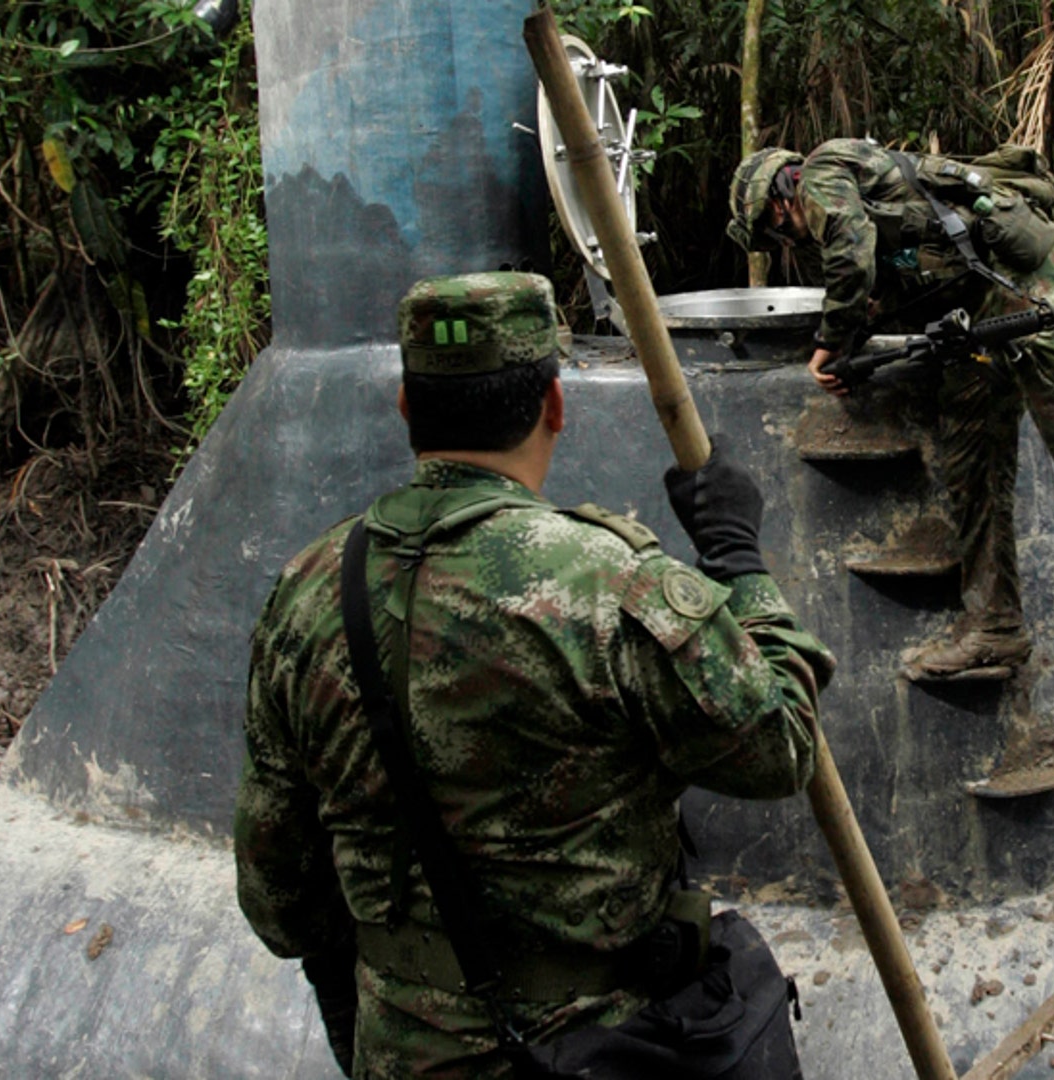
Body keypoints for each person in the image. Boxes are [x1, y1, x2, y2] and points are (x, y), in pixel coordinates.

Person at [234, 272, 834, 1077]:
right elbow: (780, 745)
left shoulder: (307, 590)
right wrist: (738, 561)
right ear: (555, 404)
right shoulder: (609, 582)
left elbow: (278, 900)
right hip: (599, 1050)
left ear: (408, 409)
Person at [728, 140, 1054, 681]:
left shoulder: (819, 172)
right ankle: (996, 628)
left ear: (775, 199)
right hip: (975, 311)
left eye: (772, 228)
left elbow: (851, 256)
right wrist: (857, 337)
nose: (782, 236)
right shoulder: (853, 197)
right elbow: (884, 281)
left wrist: (829, 343)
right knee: (971, 459)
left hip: (1022, 287)